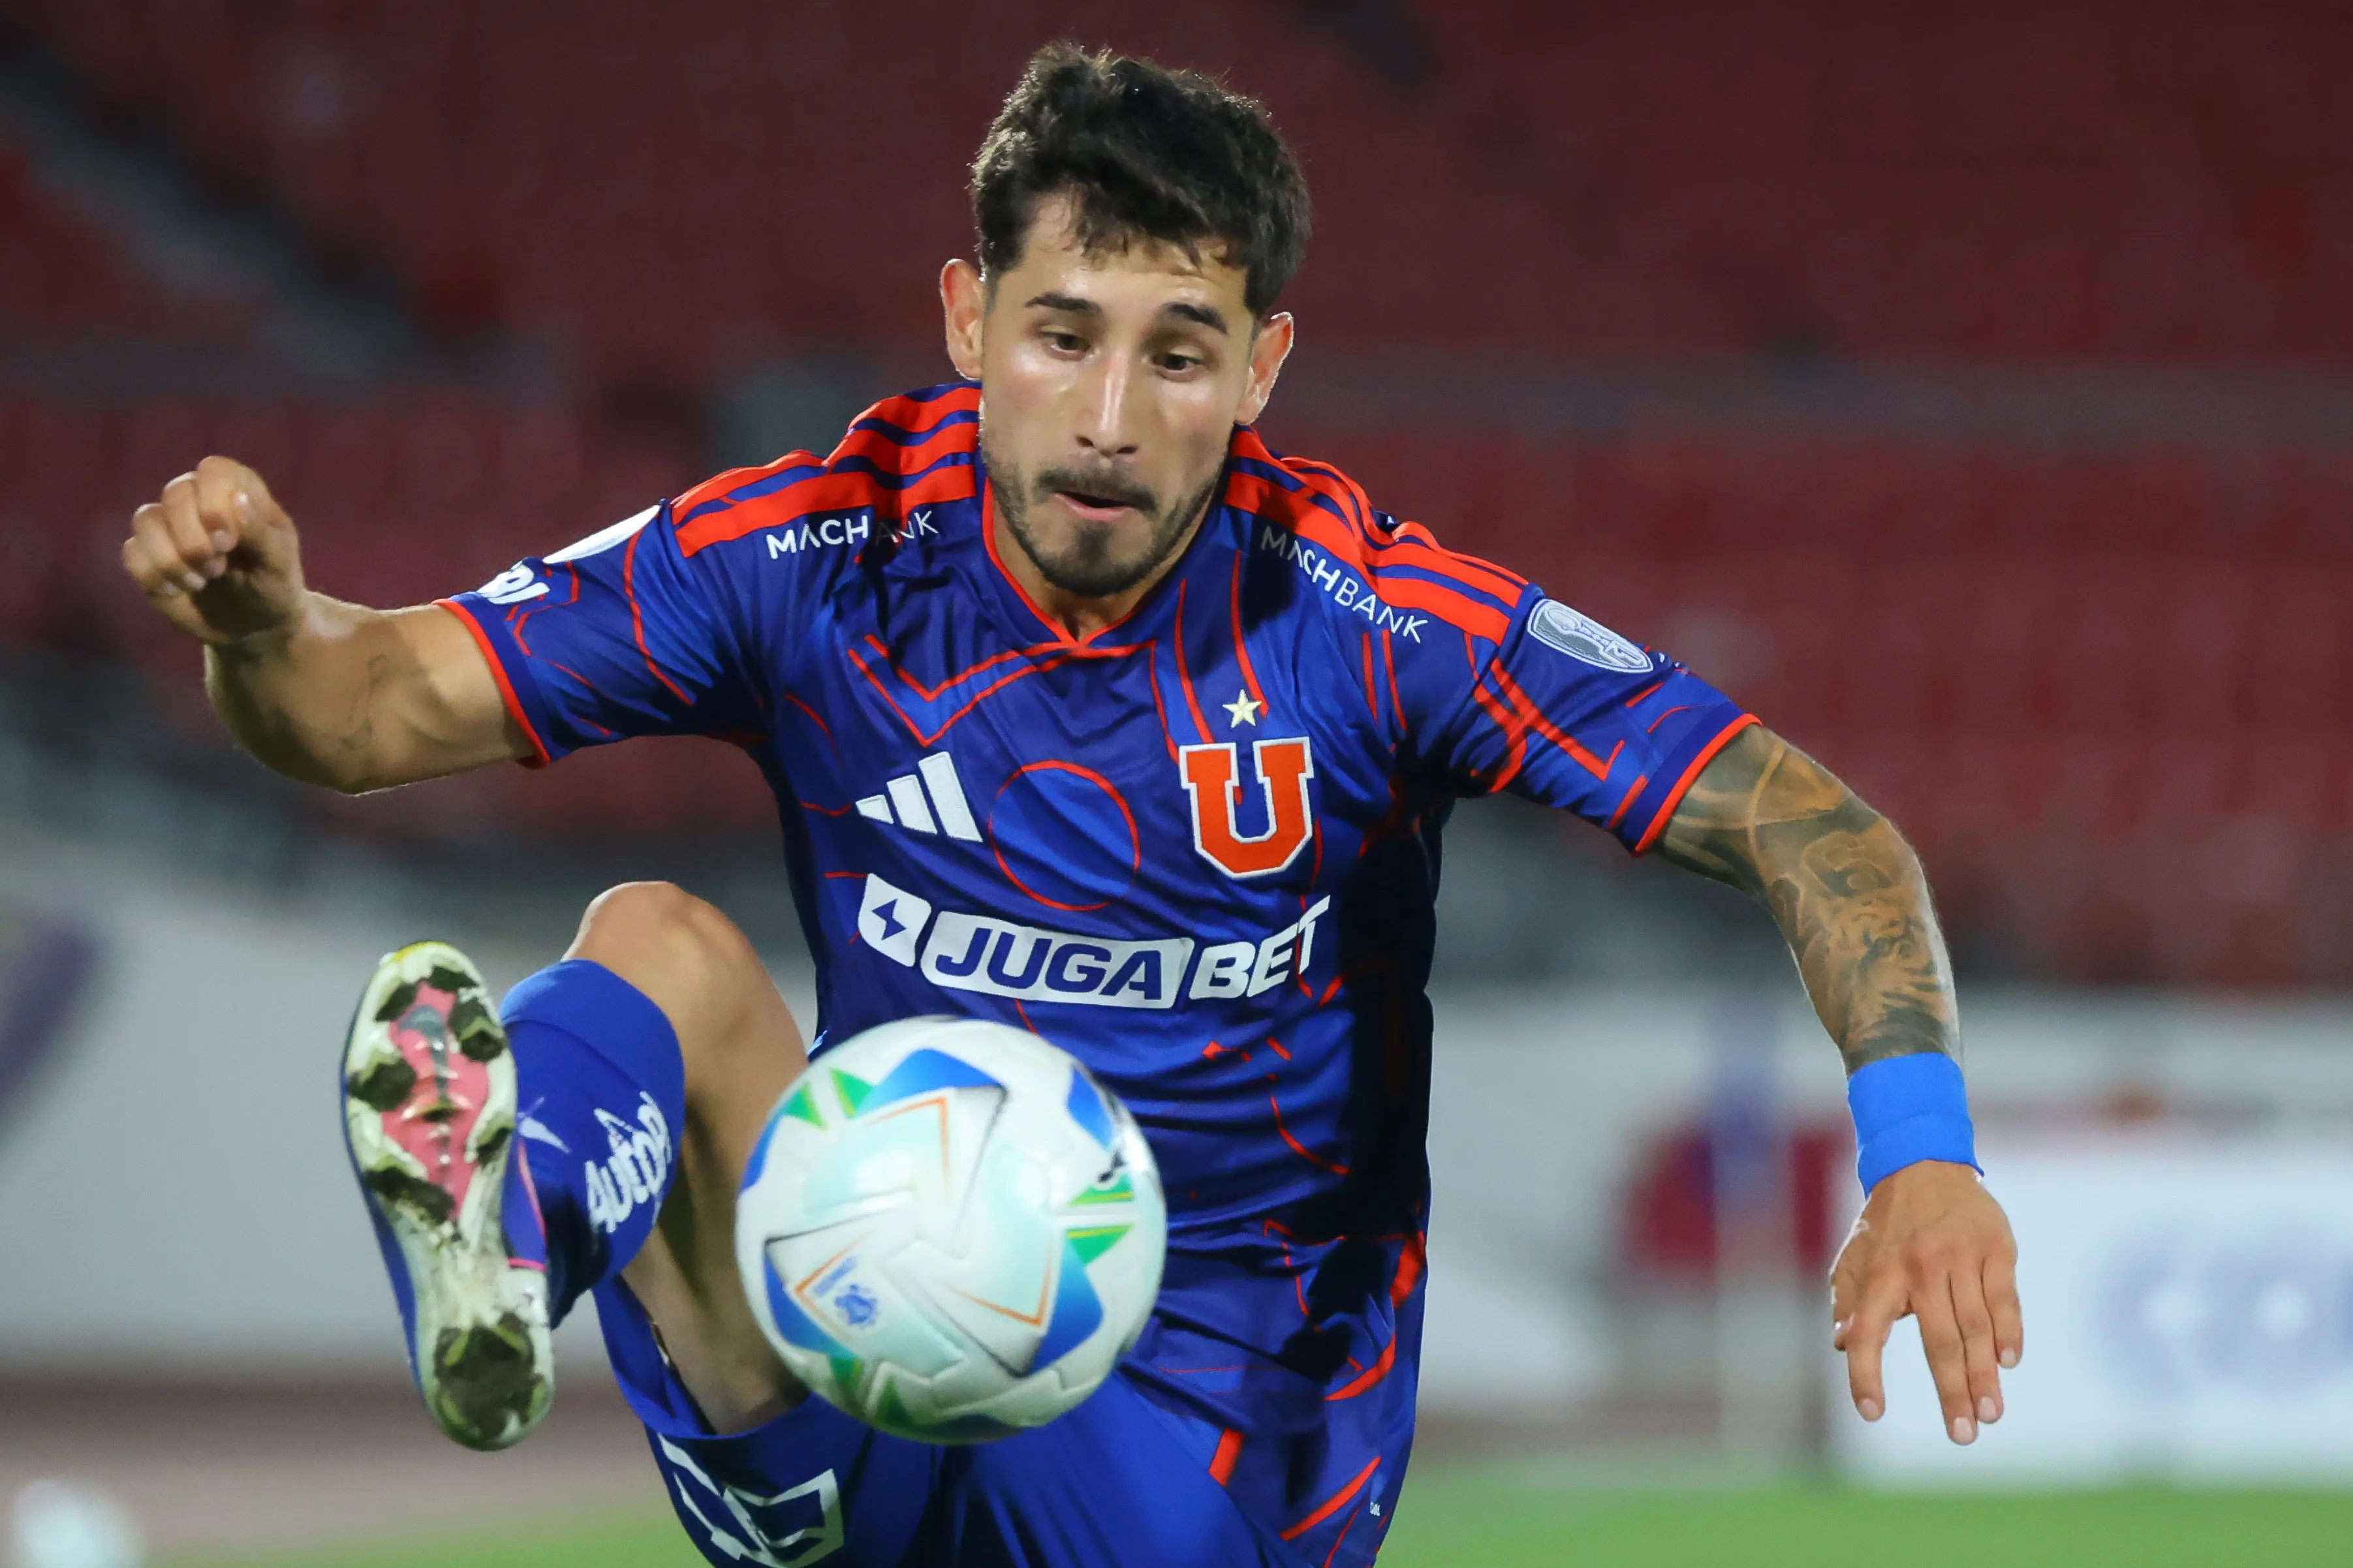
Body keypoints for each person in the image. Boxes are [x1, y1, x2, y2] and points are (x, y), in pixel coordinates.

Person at [119, 42, 2019, 1568]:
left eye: (1177, 353)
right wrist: (263, 626)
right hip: (869, 1305)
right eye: (1062, 333)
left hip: (1231, 1421)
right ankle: (506, 1248)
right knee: (661, 952)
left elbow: (1808, 821)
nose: (1108, 413)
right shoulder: (813, 557)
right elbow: (359, 716)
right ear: (966, 319)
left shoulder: (1366, 626)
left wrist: (1920, 1144)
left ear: (1259, 370)